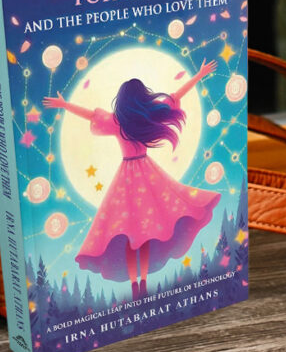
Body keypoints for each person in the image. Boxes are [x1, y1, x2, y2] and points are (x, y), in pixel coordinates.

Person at [46, 60, 220, 298]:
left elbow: (90, 115)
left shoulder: (117, 121)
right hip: (145, 173)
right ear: (141, 97)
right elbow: (175, 96)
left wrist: (64, 104)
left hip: (127, 177)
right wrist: (199, 74)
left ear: (121, 100)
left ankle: (136, 283)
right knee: (143, 234)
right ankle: (142, 281)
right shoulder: (144, 115)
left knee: (133, 235)